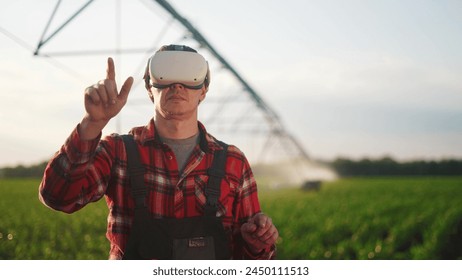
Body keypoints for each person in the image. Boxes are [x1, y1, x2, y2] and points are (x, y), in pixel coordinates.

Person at [39, 44, 278, 260]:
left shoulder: (233, 161)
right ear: (149, 88)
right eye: (165, 76)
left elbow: (253, 264)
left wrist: (257, 244)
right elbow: (58, 197)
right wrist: (92, 123)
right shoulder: (118, 151)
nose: (176, 85)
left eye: (189, 77)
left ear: (203, 91)